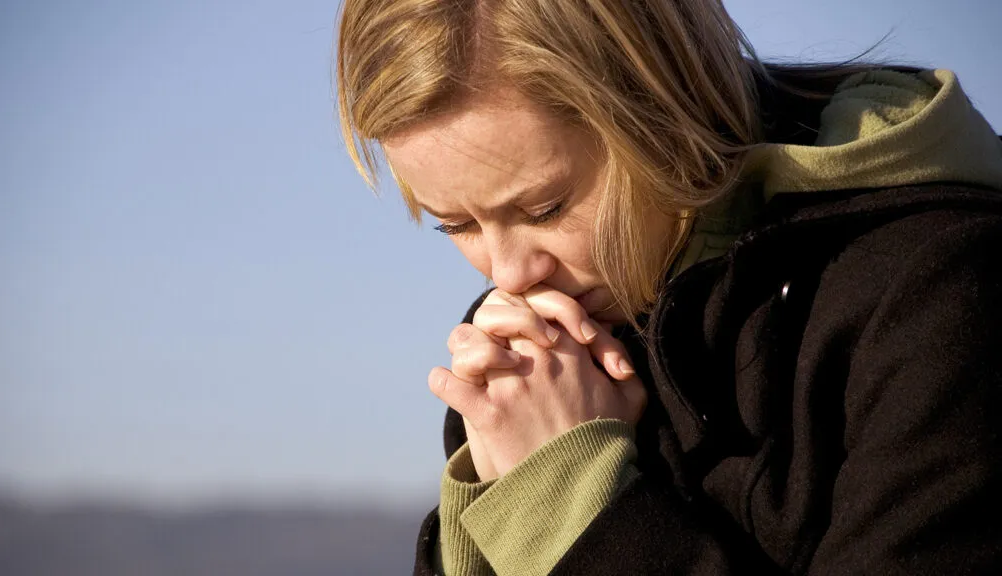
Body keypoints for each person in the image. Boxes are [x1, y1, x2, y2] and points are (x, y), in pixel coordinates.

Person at [335, 1, 1002, 574]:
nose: (507, 275)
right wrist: (487, 515)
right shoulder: (528, 363)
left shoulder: (943, 292)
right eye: (458, 224)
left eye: (544, 209)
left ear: (660, 116)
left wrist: (569, 501)